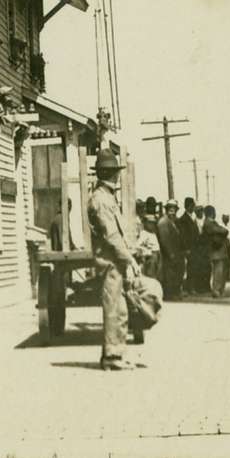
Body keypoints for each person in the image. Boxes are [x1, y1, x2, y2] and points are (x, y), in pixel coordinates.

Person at [87, 148, 139, 371]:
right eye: (115, 171)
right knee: (112, 309)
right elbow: (112, 236)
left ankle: (117, 353)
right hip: (108, 262)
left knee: (120, 309)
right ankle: (110, 357)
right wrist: (130, 259)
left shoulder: (106, 197)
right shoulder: (100, 200)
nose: (118, 175)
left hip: (113, 262)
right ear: (110, 173)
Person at [156, 199, 184, 300]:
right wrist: (170, 253)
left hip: (176, 253)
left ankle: (175, 292)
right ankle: (169, 294)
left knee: (176, 273)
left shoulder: (174, 222)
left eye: (174, 210)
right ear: (167, 210)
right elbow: (164, 239)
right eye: (170, 210)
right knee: (168, 274)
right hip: (168, 254)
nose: (173, 212)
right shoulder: (163, 222)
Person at [204, 206, 230, 297]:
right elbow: (222, 230)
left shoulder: (211, 223)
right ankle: (216, 290)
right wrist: (224, 231)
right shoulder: (208, 223)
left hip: (218, 252)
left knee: (220, 271)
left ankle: (218, 290)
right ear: (211, 212)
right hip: (216, 252)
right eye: (214, 212)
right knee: (218, 271)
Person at [176, 197, 199, 293]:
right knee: (189, 269)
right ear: (188, 206)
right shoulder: (183, 219)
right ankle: (189, 288)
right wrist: (186, 248)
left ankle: (191, 287)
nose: (193, 207)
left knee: (193, 267)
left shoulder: (191, 217)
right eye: (192, 205)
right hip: (189, 248)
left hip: (194, 247)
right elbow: (183, 236)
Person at [189, 205, 212, 293]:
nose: (200, 212)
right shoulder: (194, 222)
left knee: (207, 267)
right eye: (198, 211)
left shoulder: (206, 221)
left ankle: (207, 286)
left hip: (205, 248)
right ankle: (200, 287)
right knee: (199, 268)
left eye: (201, 211)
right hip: (198, 249)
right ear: (195, 212)